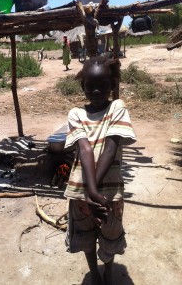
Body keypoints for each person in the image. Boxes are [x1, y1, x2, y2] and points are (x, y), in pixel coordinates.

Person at [64, 56, 136, 285]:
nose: (95, 90)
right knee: (86, 236)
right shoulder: (75, 113)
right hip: (82, 193)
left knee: (110, 234)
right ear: (82, 85)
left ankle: (108, 269)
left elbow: (110, 148)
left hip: (109, 194)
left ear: (113, 85)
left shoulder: (117, 107)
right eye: (89, 85)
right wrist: (91, 192)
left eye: (103, 85)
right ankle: (94, 273)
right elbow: (84, 149)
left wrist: (94, 192)